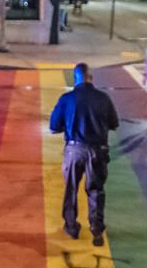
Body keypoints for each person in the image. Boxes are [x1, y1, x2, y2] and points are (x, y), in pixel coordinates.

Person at [49, 62, 119, 247]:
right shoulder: (103, 98)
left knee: (71, 187)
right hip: (97, 150)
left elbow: (54, 126)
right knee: (96, 189)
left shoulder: (67, 98)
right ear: (90, 77)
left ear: (76, 78)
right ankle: (96, 228)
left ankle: (72, 226)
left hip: (74, 149)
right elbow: (114, 123)